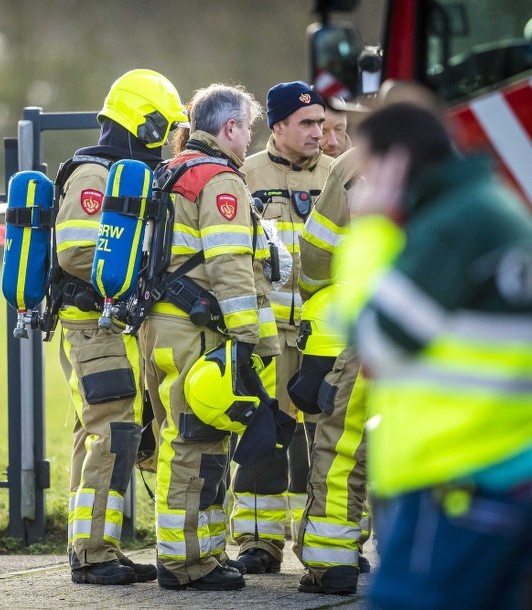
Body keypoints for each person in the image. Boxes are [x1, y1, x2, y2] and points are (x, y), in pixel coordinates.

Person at [341, 102, 532, 609]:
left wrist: (371, 232)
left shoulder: (452, 226)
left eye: (366, 171)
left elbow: (375, 344)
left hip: (457, 480)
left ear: (394, 163)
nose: (363, 187)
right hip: (502, 472)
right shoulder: (492, 206)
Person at [141, 83, 274, 591]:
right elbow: (230, 266)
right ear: (230, 128)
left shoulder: (169, 171)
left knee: (184, 438)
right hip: (197, 328)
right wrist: (249, 338)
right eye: (247, 129)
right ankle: (186, 564)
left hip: (161, 324)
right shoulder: (220, 180)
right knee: (196, 443)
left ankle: (204, 554)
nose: (248, 140)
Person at [55, 68, 185, 586]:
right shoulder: (93, 174)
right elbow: (75, 251)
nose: (165, 141)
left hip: (113, 323)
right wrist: (139, 271)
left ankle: (92, 546)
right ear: (143, 123)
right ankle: (92, 554)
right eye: (164, 128)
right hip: (90, 323)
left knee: (101, 429)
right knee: (109, 430)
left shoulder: (128, 172)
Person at [230, 80, 332, 574]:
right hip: (268, 335)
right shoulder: (244, 176)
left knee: (328, 440)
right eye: (308, 123)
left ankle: (328, 544)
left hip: (325, 336)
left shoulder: (339, 175)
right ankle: (257, 542)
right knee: (263, 435)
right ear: (278, 126)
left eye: (321, 122)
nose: (320, 132)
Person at [290, 146, 370, 595]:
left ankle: (331, 563)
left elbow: (317, 250)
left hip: (366, 322)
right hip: (457, 334)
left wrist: (322, 304)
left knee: (343, 444)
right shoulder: (480, 144)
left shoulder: (358, 161)